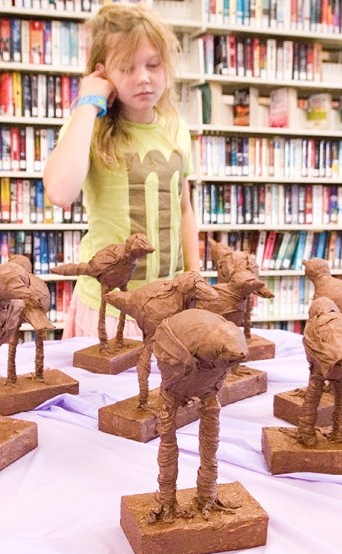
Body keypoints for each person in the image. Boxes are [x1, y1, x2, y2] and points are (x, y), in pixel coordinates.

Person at [43, 2, 199, 339]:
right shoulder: (88, 128)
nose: (143, 78)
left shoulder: (177, 129)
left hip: (167, 305)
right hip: (107, 309)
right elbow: (59, 192)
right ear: (102, 73)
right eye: (126, 68)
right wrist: (88, 103)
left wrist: (194, 280)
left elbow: (185, 208)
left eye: (153, 64)